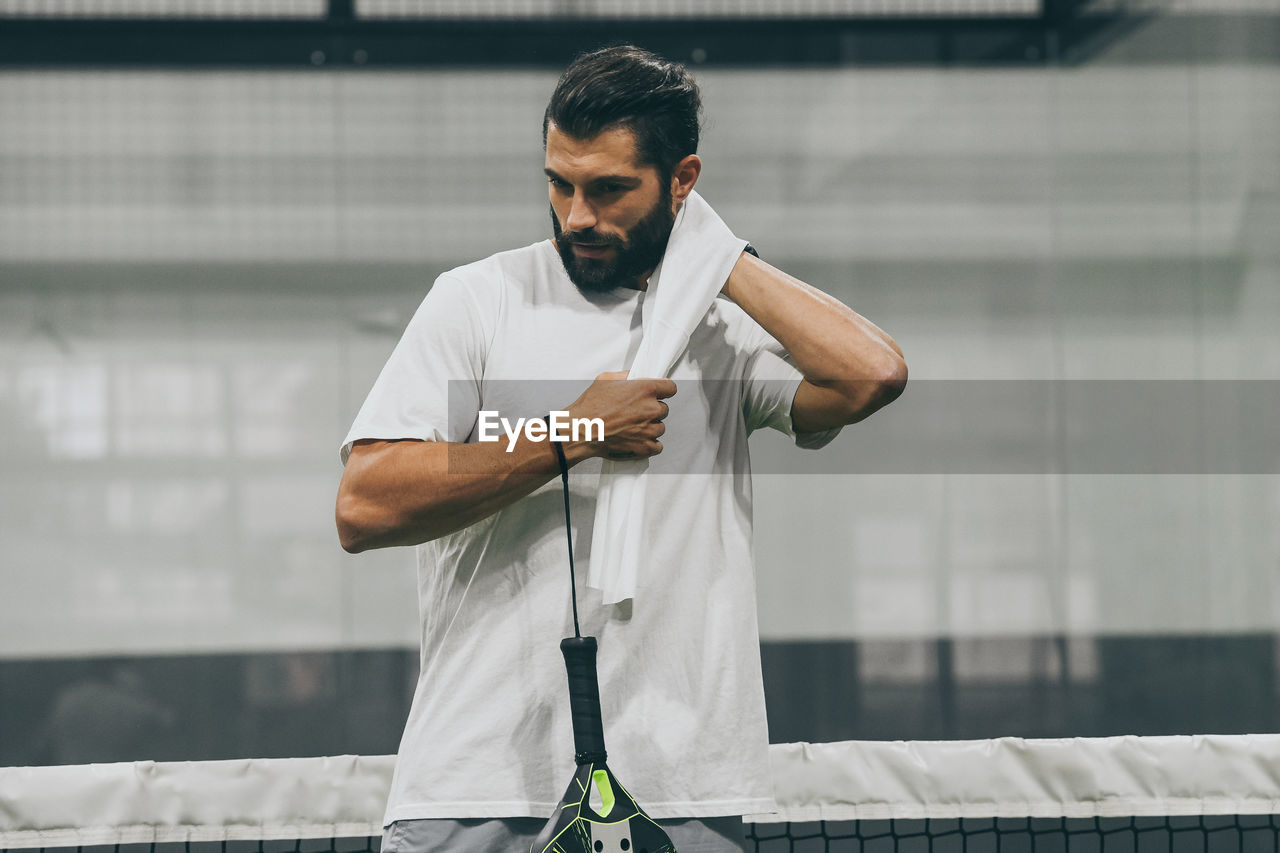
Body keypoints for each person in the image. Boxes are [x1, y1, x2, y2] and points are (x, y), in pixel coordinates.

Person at [335, 45, 906, 853]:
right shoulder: (477, 301)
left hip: (682, 782)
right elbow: (364, 502)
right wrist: (572, 432)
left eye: (609, 190)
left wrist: (715, 257)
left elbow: (871, 374)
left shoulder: (721, 327)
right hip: (479, 779)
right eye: (559, 184)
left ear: (681, 180)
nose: (577, 216)